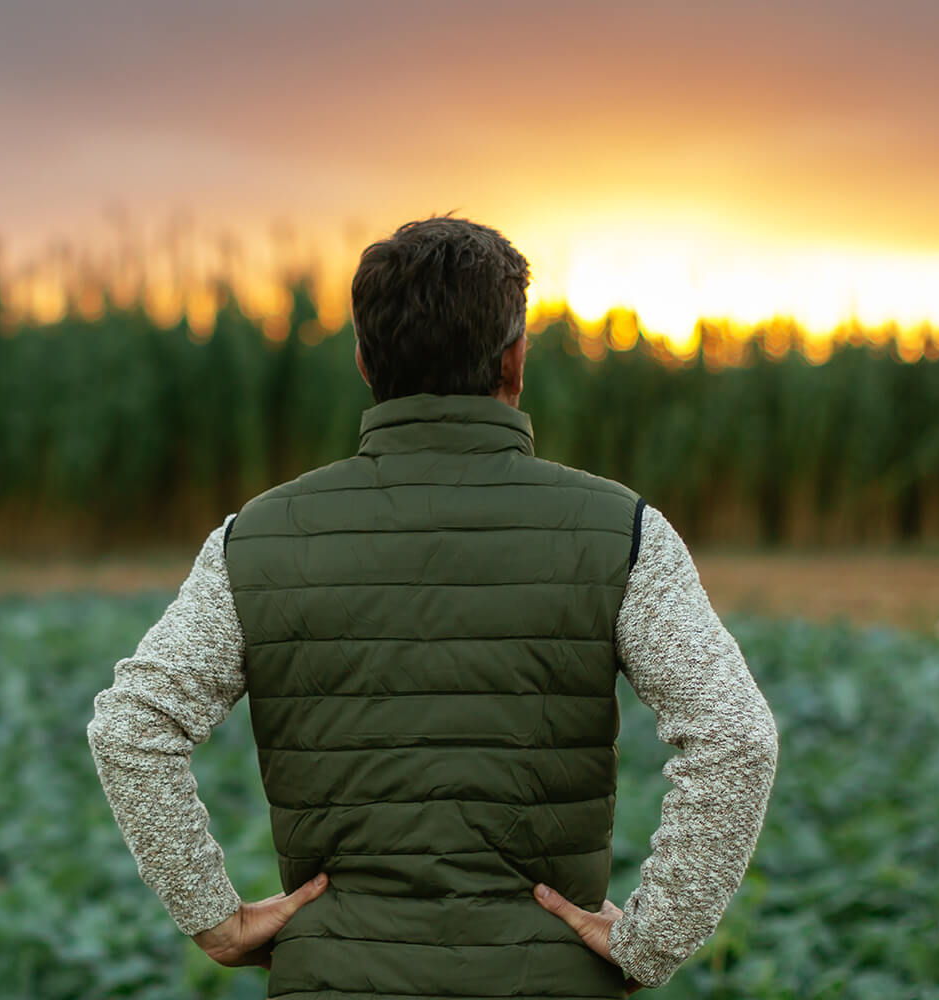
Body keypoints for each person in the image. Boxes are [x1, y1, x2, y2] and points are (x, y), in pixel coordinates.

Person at [88, 216, 778, 998]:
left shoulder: (255, 537)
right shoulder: (620, 530)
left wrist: (213, 916)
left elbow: (131, 726)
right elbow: (734, 736)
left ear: (363, 360)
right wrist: (654, 939)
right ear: (514, 359)